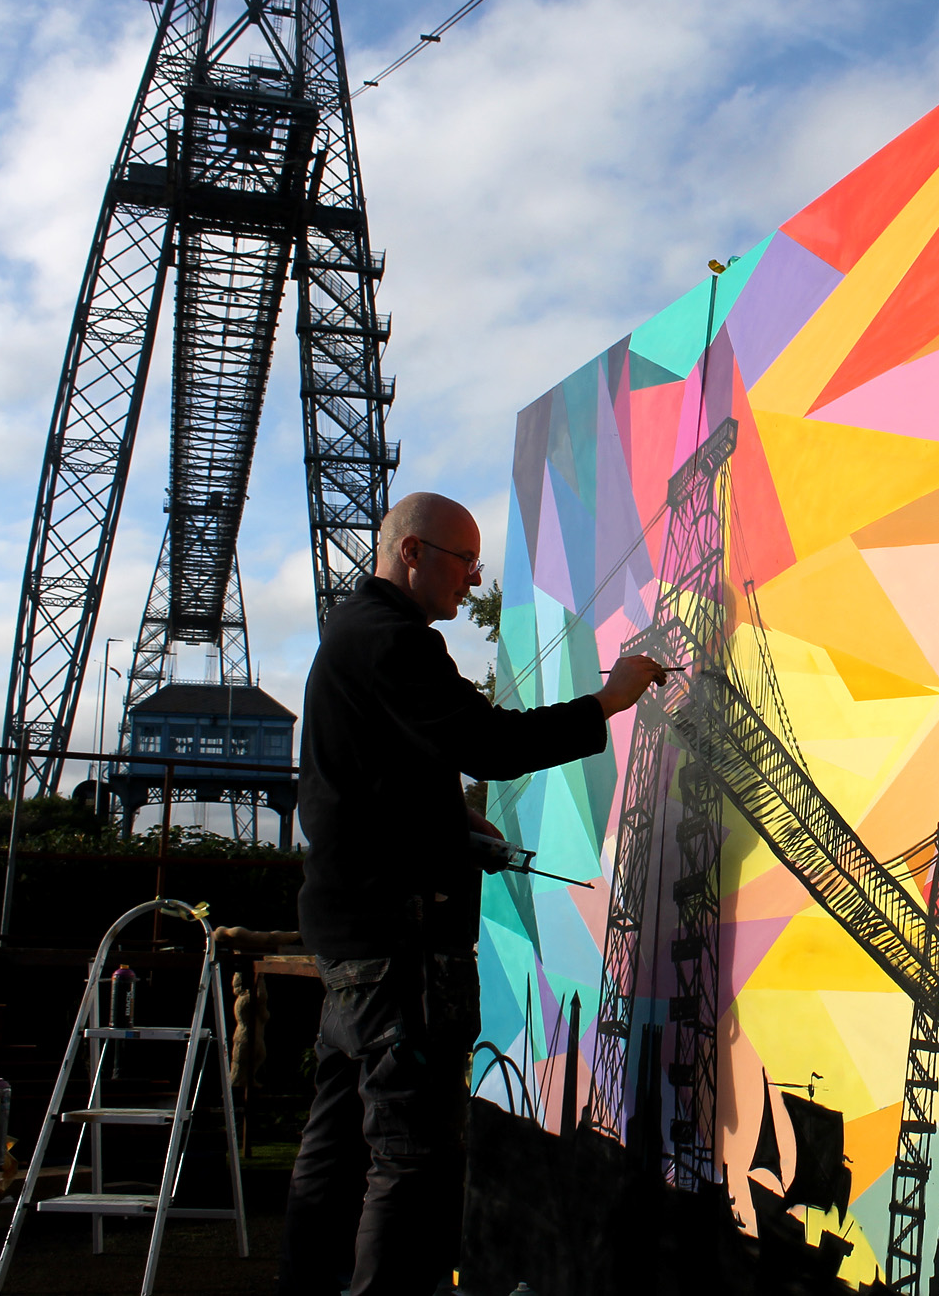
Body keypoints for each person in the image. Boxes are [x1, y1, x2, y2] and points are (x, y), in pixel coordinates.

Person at [278, 491, 664, 1296]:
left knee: (339, 1148)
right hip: (400, 948)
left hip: (357, 939)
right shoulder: (395, 641)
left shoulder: (352, 639)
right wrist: (607, 701)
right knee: (411, 1158)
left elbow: (369, 788)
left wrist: (455, 831)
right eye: (463, 560)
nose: (475, 579)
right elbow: (487, 743)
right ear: (412, 552)